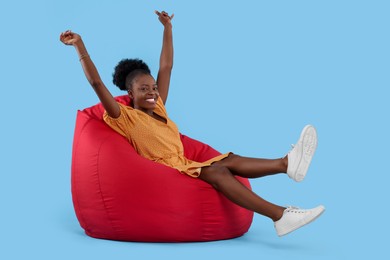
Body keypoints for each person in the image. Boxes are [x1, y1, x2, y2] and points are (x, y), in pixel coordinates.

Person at [60, 10, 325, 237]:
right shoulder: (123, 117)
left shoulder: (158, 105)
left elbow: (167, 66)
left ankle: (287, 164)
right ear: (130, 93)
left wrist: (168, 28)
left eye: (153, 87)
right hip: (169, 170)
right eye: (144, 89)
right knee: (219, 172)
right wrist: (79, 46)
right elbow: (96, 83)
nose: (152, 92)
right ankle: (279, 215)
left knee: (230, 159)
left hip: (185, 164)